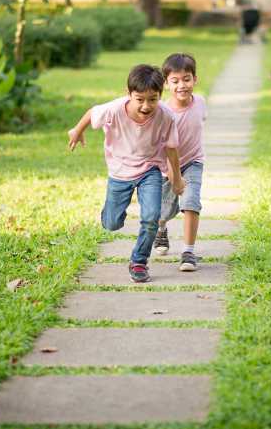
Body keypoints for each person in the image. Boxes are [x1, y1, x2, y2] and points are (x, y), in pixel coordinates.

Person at [68, 64, 185, 283]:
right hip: (120, 171)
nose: (146, 105)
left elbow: (171, 148)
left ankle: (139, 261)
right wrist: (77, 130)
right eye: (140, 99)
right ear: (128, 93)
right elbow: (93, 112)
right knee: (112, 223)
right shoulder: (114, 109)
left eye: (153, 99)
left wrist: (176, 178)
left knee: (152, 217)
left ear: (160, 95)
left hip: (150, 169)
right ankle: (110, 214)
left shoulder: (166, 116)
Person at [153, 53, 206, 272]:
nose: (181, 85)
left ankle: (188, 251)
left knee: (190, 202)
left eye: (186, 79)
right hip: (166, 167)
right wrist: (174, 177)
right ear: (166, 83)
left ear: (195, 79)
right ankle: (161, 229)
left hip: (193, 162)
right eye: (175, 81)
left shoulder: (201, 102)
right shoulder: (163, 112)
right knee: (163, 211)